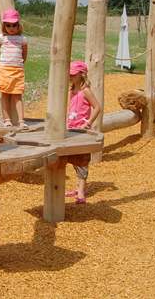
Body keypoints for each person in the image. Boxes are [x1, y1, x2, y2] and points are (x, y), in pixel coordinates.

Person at [65, 60, 101, 204]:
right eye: (69, 74)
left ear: (82, 75)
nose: (70, 77)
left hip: (82, 131)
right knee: (75, 160)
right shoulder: (72, 91)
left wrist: (88, 123)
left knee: (82, 161)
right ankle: (83, 187)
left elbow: (97, 107)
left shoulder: (86, 91)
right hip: (72, 129)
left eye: (73, 75)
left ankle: (81, 192)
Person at [0, 9, 29, 130]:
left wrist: (19, 63)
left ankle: (21, 120)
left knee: (17, 95)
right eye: (8, 25)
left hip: (17, 70)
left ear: (18, 25)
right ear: (4, 26)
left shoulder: (22, 39)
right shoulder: (1, 38)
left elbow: (24, 54)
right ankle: (7, 119)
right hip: (4, 70)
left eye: (14, 25)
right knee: (4, 94)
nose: (11, 28)